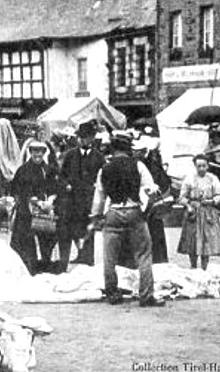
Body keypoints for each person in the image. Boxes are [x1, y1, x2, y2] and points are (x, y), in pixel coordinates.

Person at [90, 133, 165, 307]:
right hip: (133, 211)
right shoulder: (138, 165)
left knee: (109, 257)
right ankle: (146, 296)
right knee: (144, 254)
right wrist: (146, 207)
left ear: (113, 149)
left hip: (113, 212)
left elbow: (99, 197)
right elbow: (151, 189)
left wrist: (97, 216)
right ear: (128, 148)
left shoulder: (104, 168)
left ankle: (112, 293)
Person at [58, 121, 105, 271]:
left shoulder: (99, 157)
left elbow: (103, 177)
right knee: (73, 227)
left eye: (86, 137)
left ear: (92, 138)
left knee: (88, 228)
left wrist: (97, 190)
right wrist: (66, 185)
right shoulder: (70, 155)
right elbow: (62, 176)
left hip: (89, 200)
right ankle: (79, 252)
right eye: (81, 137)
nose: (83, 140)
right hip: (72, 199)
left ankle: (88, 257)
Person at [10, 140, 60, 275]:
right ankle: (30, 267)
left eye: (40, 151)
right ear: (30, 152)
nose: (37, 154)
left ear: (44, 153)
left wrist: (50, 200)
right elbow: (16, 189)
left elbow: (55, 188)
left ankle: (46, 265)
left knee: (47, 239)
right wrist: (30, 200)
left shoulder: (49, 170)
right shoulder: (23, 170)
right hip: (26, 210)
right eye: (34, 151)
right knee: (25, 240)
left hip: (44, 210)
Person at [177, 154, 220, 270]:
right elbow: (181, 197)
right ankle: (193, 266)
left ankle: (204, 267)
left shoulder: (213, 178)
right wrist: (188, 205)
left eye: (204, 166)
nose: (201, 168)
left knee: (206, 240)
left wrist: (212, 201)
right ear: (195, 166)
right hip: (193, 212)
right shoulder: (189, 179)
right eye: (199, 166)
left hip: (208, 212)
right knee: (192, 240)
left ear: (208, 166)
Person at [133, 136, 170, 264]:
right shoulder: (143, 162)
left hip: (152, 203)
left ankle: (157, 260)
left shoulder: (151, 164)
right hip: (144, 203)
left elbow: (163, 182)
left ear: (143, 151)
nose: (134, 153)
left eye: (137, 151)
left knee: (153, 230)